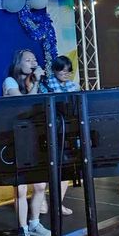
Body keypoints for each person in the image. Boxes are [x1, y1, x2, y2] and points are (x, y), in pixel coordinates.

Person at [2, 49, 51, 236]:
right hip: (14, 140)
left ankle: (34, 223)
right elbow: (22, 105)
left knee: (40, 185)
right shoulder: (10, 82)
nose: (33, 62)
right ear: (18, 63)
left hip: (32, 138)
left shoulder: (31, 83)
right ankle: (22, 229)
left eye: (34, 59)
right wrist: (36, 83)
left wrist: (37, 83)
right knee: (21, 189)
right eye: (28, 60)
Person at [40, 54, 79, 216]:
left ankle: (58, 204)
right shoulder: (47, 85)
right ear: (55, 70)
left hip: (67, 132)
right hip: (49, 132)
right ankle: (41, 201)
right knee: (46, 169)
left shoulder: (73, 86)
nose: (66, 74)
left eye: (68, 71)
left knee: (66, 169)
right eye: (62, 70)